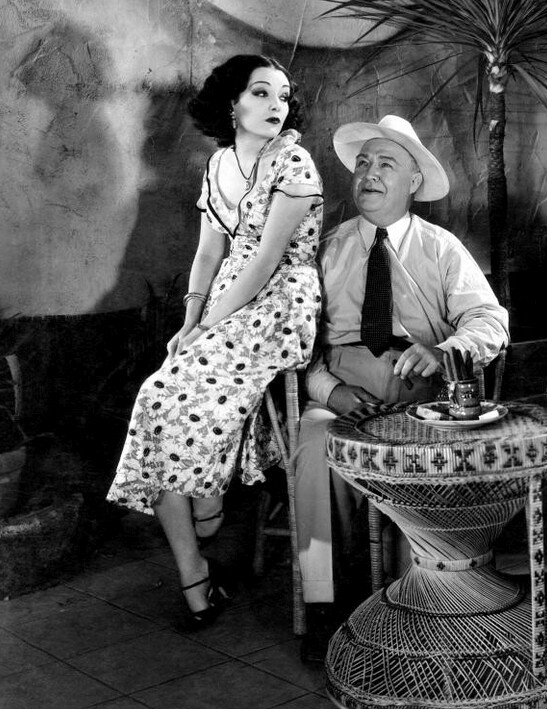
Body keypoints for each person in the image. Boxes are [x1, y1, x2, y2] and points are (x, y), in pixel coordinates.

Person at [107, 54, 324, 630]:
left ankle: (207, 500)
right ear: (232, 104)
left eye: (283, 95)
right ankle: (194, 575)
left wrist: (209, 327)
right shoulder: (218, 165)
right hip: (226, 302)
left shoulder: (294, 162)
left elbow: (265, 262)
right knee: (156, 396)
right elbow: (209, 253)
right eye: (261, 92)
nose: (276, 105)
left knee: (177, 390)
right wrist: (190, 321)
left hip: (279, 302)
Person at [293, 114, 509, 661]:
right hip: (343, 394)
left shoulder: (441, 248)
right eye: (363, 163)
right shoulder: (327, 248)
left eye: (385, 164)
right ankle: (326, 606)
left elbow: (490, 322)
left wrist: (445, 351)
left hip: (423, 400)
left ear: (413, 181)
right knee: (315, 446)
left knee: (436, 457)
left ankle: (424, 604)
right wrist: (329, 391)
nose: (369, 173)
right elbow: (295, 347)